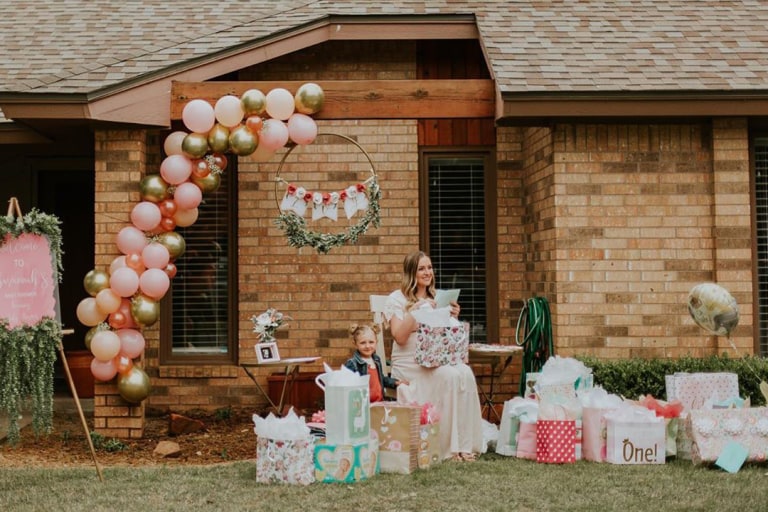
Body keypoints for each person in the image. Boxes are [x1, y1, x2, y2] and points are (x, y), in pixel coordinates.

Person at [384, 250, 483, 462]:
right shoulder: (396, 298)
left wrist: (451, 315)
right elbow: (399, 337)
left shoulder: (437, 297)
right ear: (411, 272)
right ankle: (448, 448)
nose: (427, 272)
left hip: (436, 354)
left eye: (429, 267)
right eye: (421, 268)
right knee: (449, 376)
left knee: (465, 373)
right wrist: (414, 312)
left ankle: (465, 445)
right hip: (410, 360)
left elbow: (443, 333)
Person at [343, 323, 405, 403]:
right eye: (363, 343)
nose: (367, 346)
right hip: (363, 404)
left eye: (371, 342)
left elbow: (380, 379)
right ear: (355, 344)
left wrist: (395, 382)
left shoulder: (376, 360)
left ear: (376, 342)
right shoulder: (352, 363)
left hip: (379, 402)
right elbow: (347, 387)